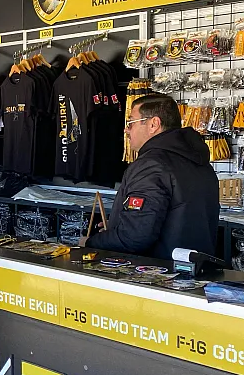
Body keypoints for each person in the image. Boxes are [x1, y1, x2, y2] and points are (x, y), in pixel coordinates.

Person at [84, 93, 219, 260]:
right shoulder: (200, 163)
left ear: (154, 124)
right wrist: (116, 227)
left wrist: (91, 242)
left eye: (130, 123)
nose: (126, 130)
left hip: (158, 270)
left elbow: (134, 237)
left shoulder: (151, 165)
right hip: (193, 268)